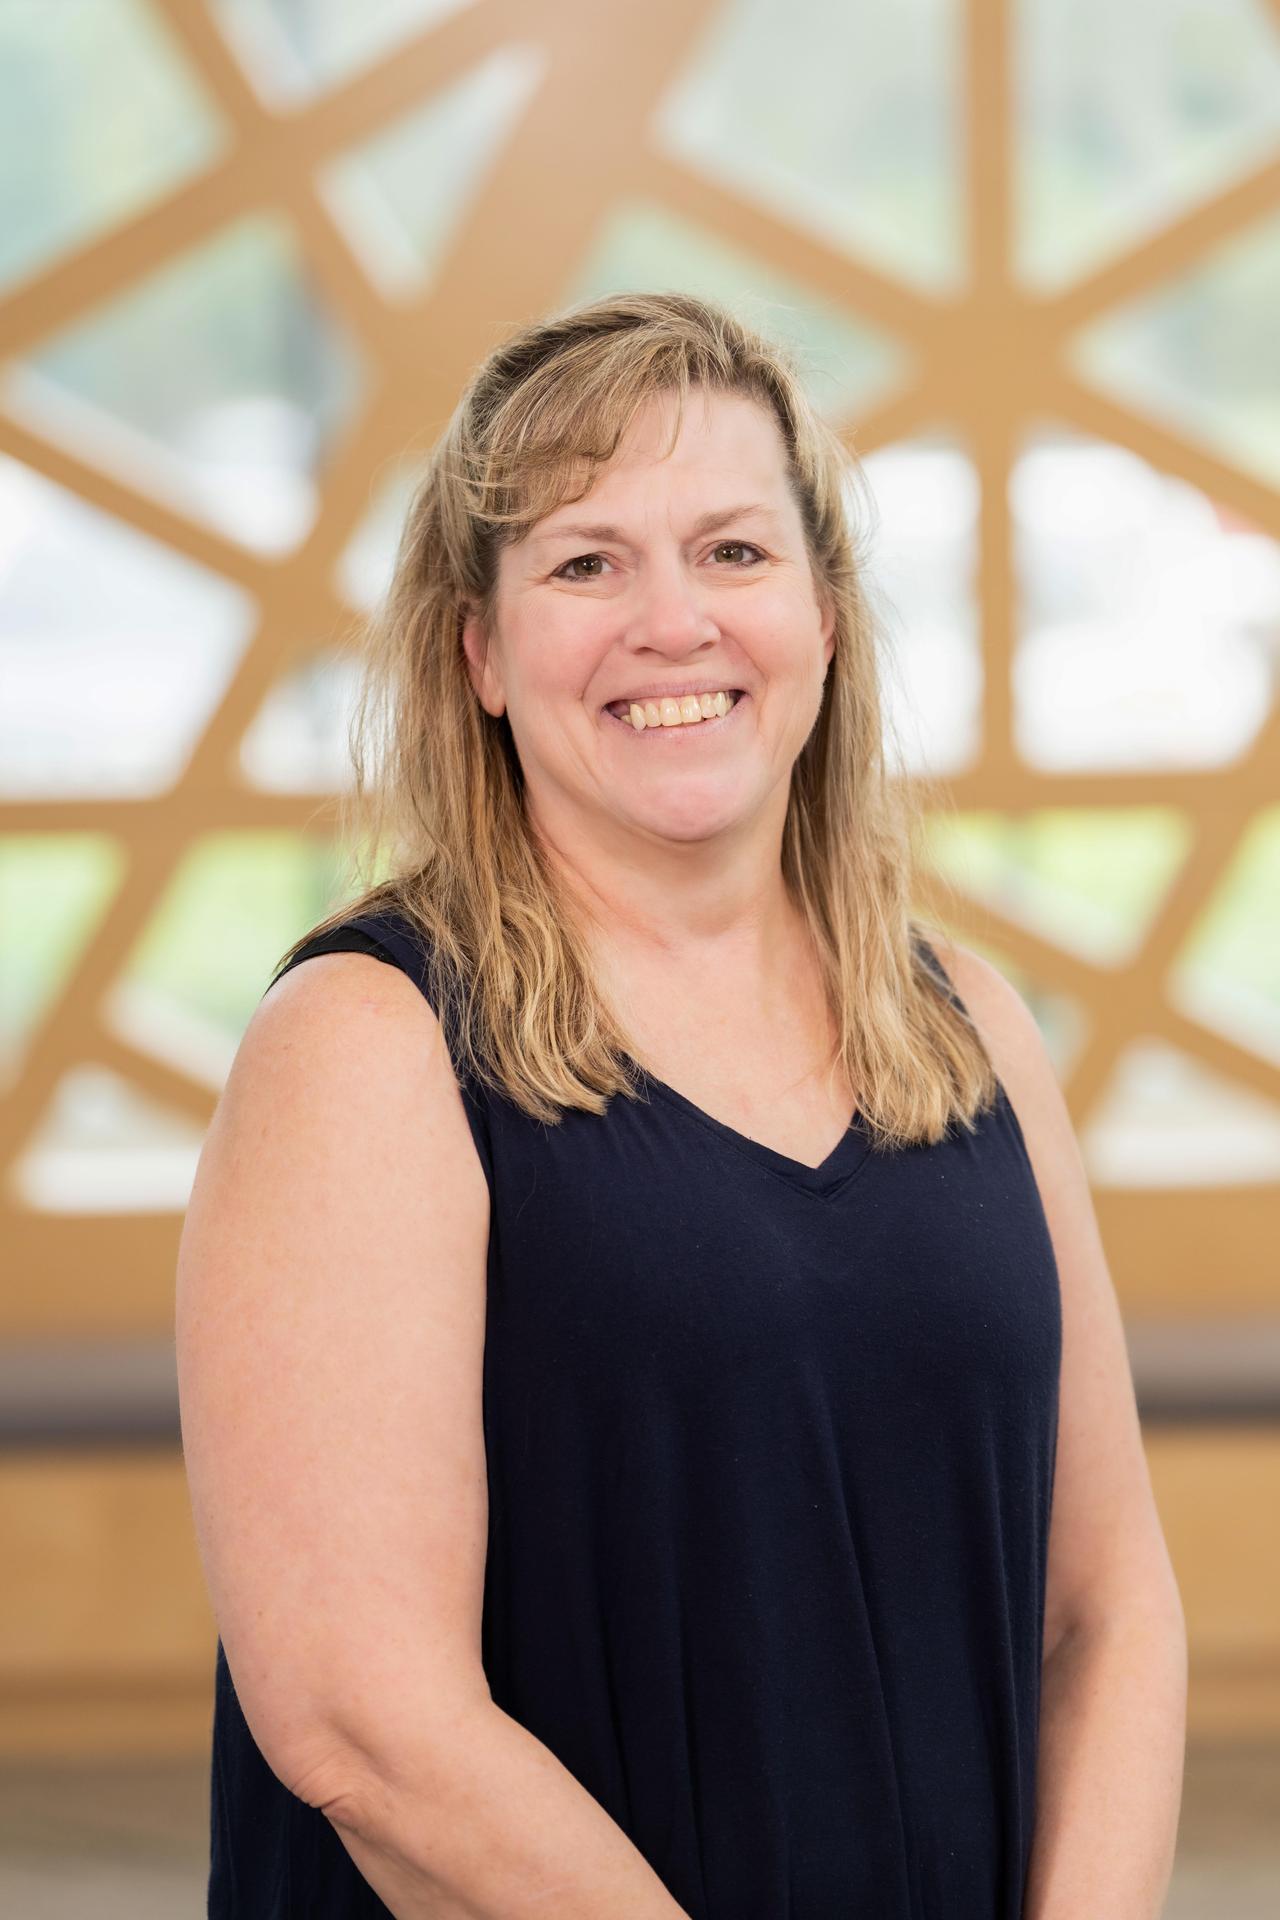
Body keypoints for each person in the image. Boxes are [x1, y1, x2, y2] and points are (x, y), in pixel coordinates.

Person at [176, 291, 1186, 1919]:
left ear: (827, 615)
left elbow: (1110, 1611)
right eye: (586, 564)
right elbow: (362, 1724)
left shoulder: (973, 1028)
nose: (675, 622)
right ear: (483, 653)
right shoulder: (367, 1045)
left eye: (733, 552)